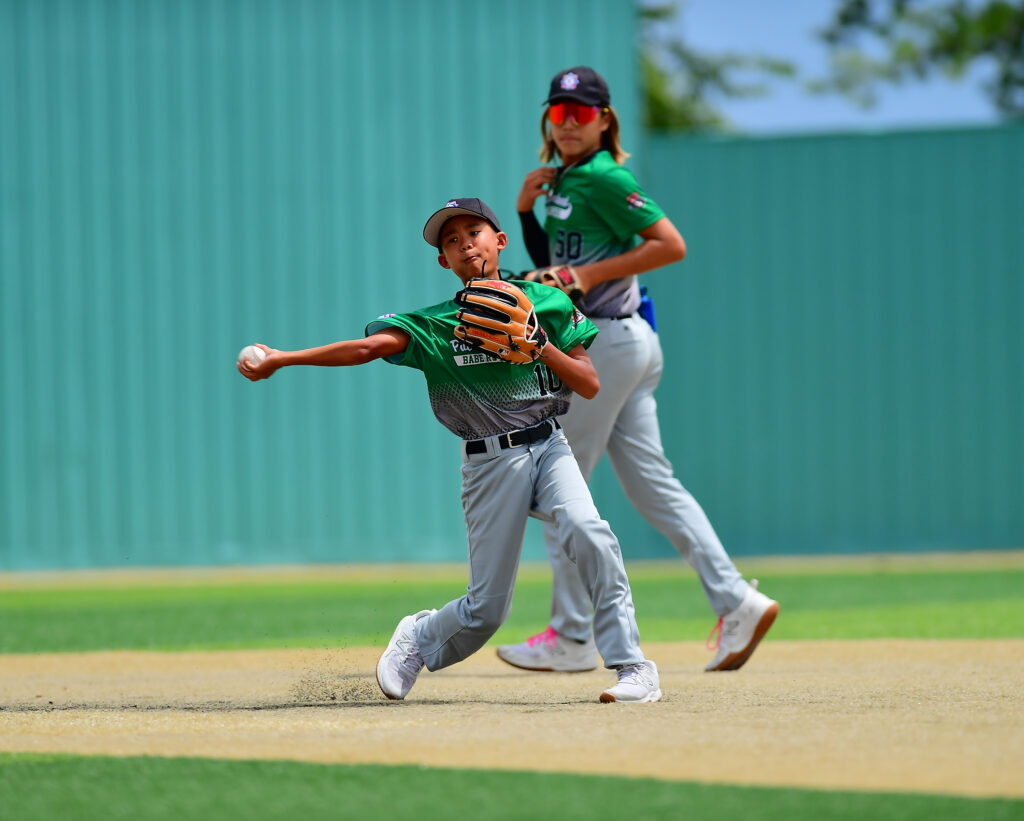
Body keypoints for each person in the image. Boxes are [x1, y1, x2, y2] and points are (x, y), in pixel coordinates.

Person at [238, 197, 661, 703]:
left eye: (473, 232)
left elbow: (589, 383)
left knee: (590, 533)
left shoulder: (545, 303)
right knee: (486, 611)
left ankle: (633, 667)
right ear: (444, 261)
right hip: (488, 463)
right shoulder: (435, 324)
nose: (464, 244)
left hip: (548, 445)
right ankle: (419, 636)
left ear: (499, 241)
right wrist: (284, 359)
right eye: (451, 240)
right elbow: (367, 349)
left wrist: (537, 342)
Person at [497, 66, 778, 674]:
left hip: (609, 344)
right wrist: (526, 215)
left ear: (604, 119)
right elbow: (555, 276)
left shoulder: (604, 175)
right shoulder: (567, 180)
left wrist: (590, 276)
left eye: (580, 112)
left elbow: (670, 245)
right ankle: (737, 600)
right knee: (654, 486)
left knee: (556, 480)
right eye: (558, 112)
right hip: (625, 341)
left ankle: (572, 636)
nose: (567, 122)